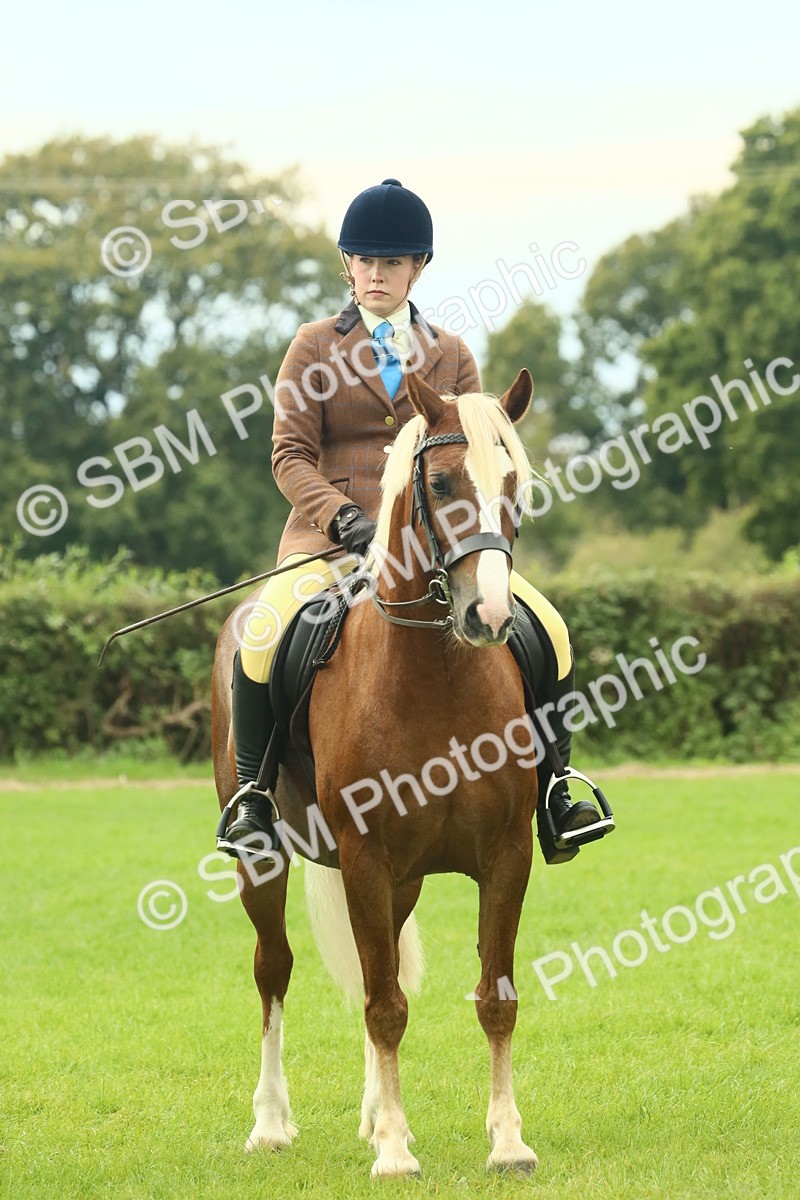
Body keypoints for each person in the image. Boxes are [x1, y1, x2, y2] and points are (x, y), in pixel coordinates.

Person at [217, 179, 611, 865]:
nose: (376, 274)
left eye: (391, 262)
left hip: (438, 548)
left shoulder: (451, 352)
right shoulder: (312, 347)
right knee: (262, 631)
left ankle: (555, 789)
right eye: (365, 261)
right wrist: (344, 519)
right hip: (329, 546)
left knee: (548, 627)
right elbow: (289, 455)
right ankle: (253, 793)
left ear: (417, 268)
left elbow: (478, 453)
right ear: (348, 266)